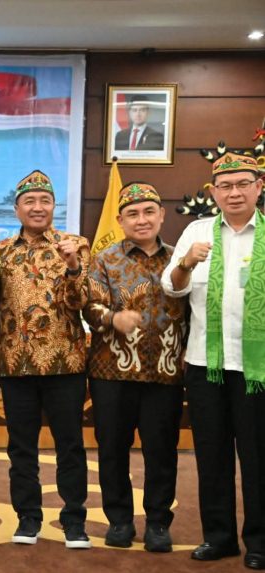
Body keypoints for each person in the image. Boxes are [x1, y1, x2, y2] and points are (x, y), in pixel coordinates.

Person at [161, 151, 265, 569]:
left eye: (243, 184)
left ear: (259, 187)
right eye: (226, 186)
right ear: (213, 192)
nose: (234, 192)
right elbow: (172, 287)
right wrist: (186, 262)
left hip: (258, 368)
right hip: (207, 365)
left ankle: (259, 543)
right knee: (212, 455)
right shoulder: (197, 230)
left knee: (258, 458)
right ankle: (219, 537)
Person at [0, 169, 92, 549]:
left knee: (70, 446)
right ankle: (28, 518)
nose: (38, 207)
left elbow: (81, 302)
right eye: (29, 201)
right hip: (16, 366)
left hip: (66, 365)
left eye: (45, 200)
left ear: (54, 206)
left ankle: (74, 521)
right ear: (16, 209)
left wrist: (73, 266)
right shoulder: (1, 252)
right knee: (21, 448)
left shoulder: (75, 245)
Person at [84, 182, 186, 553]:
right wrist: (113, 318)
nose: (141, 220)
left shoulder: (179, 259)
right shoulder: (104, 259)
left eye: (148, 212)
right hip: (112, 373)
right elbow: (89, 307)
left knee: (162, 451)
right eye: (133, 214)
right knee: (112, 449)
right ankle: (119, 521)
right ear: (120, 220)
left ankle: (158, 523)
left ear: (161, 215)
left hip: (165, 372)